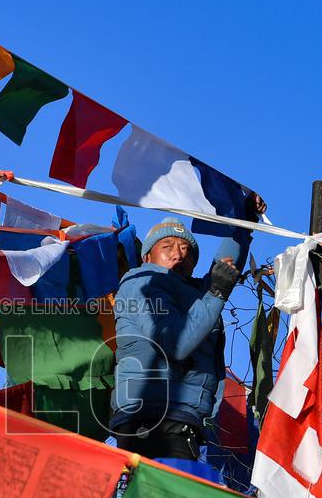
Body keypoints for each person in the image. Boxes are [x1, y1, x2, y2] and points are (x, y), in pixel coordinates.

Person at [110, 193, 267, 461]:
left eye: (186, 249)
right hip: (152, 417)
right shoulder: (142, 284)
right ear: (147, 256)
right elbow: (175, 343)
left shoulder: (195, 294)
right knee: (163, 488)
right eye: (167, 246)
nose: (178, 254)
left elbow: (225, 264)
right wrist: (217, 292)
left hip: (180, 417)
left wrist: (244, 219)